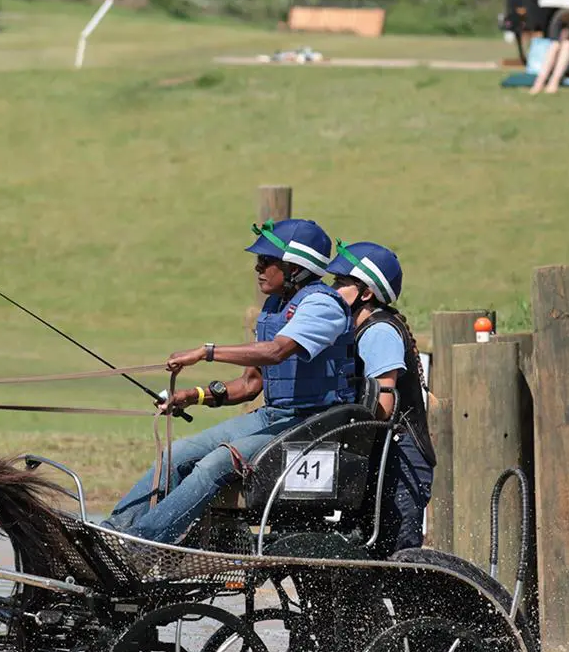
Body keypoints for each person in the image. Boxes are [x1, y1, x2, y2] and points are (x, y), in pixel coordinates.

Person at [105, 218, 355, 545]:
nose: (258, 267)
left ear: (295, 268)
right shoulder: (274, 305)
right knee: (176, 454)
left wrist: (205, 353)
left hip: (313, 425)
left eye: (267, 261)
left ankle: (139, 542)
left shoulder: (321, 304)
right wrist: (192, 395)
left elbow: (276, 351)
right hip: (274, 417)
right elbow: (250, 385)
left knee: (215, 464)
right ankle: (111, 533)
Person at [324, 240, 435, 553]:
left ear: (366, 293)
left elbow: (383, 408)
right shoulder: (355, 330)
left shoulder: (379, 331)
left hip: (400, 459)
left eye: (341, 283)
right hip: (378, 454)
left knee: (397, 561)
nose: (332, 290)